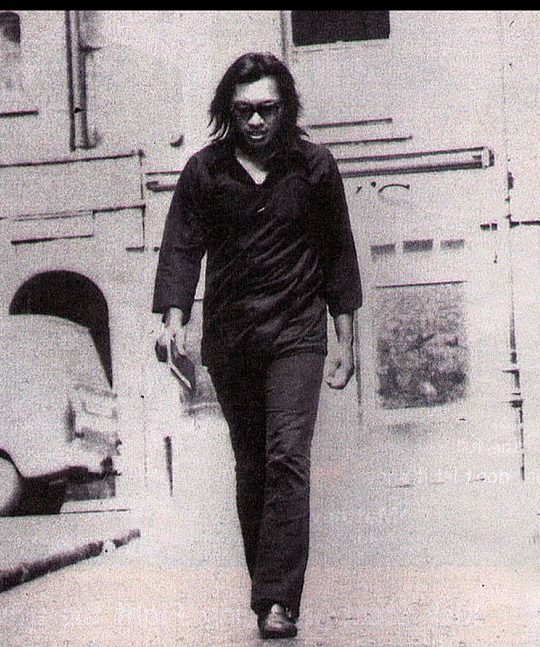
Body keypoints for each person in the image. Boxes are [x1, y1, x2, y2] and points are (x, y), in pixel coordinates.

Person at [152, 51, 362, 640]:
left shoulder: (315, 168)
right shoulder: (204, 172)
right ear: (228, 110)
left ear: (285, 108)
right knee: (252, 466)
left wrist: (346, 339)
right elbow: (181, 248)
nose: (255, 121)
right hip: (234, 339)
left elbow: (337, 252)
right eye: (244, 110)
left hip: (297, 334)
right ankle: (266, 589)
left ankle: (278, 602)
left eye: (267, 109)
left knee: (287, 456)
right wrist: (174, 320)